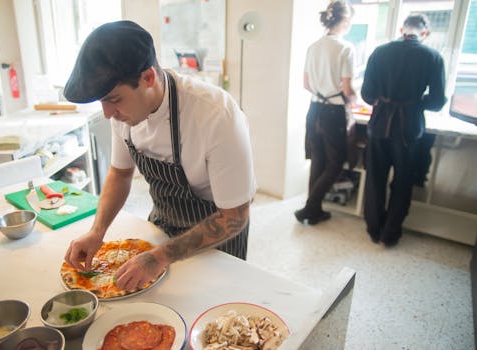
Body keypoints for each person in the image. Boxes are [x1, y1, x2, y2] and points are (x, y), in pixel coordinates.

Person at [63, 20, 256, 292]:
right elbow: (120, 173)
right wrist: (97, 231)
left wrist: (161, 256)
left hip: (218, 238)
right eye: (102, 102)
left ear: (148, 78)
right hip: (162, 227)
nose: (107, 113)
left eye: (114, 99)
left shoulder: (216, 115)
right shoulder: (122, 113)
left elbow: (235, 217)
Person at [361, 14, 446, 246]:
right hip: (409, 127)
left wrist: (385, 99)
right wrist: (417, 102)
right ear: (424, 32)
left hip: (379, 124)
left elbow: (367, 94)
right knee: (403, 181)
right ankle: (390, 233)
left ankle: (374, 229)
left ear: (401, 29)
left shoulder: (379, 52)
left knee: (375, 178)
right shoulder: (433, 57)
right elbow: (438, 101)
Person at [295, 0, 356, 225]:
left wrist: (322, 93)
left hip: (315, 108)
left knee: (318, 160)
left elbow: (306, 84)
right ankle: (310, 208)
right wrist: (355, 99)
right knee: (336, 163)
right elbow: (347, 89)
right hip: (333, 112)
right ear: (346, 20)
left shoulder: (314, 46)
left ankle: (314, 210)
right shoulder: (346, 48)